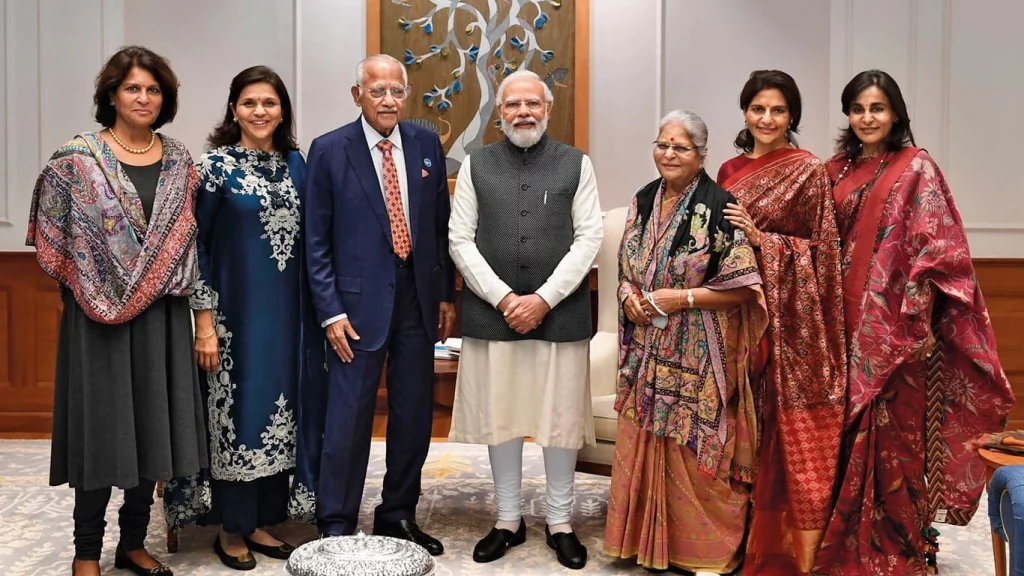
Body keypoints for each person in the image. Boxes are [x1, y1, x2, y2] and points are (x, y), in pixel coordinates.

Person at [814, 69, 1014, 575]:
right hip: (834, 327)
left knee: (894, 440)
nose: (867, 118)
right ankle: (838, 540)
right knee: (834, 435)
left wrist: (918, 323)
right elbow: (812, 241)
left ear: (896, 113)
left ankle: (898, 543)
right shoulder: (834, 170)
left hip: (895, 332)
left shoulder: (917, 168)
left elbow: (939, 249)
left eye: (877, 108)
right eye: (858, 108)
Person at [25, 45, 207, 576]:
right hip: (96, 322)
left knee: (151, 432)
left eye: (153, 89)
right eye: (132, 88)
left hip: (162, 318)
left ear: (165, 98)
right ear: (111, 94)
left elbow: (190, 245)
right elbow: (50, 238)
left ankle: (133, 543)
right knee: (102, 433)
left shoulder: (178, 162)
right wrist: (95, 285)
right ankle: (86, 552)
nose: (143, 97)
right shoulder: (75, 161)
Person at [161, 65, 326, 570]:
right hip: (233, 322)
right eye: (250, 102)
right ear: (233, 109)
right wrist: (204, 323)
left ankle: (261, 522)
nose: (260, 111)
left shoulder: (298, 164)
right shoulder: (212, 168)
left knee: (283, 415)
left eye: (270, 103)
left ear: (283, 111)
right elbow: (197, 248)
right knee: (239, 415)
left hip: (292, 322)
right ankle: (230, 529)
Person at [447, 69, 603, 570]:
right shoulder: (476, 165)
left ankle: (560, 521)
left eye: (532, 104)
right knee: (503, 416)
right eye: (513, 105)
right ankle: (508, 520)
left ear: (548, 108)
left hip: (561, 314)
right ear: (499, 113)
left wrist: (543, 299)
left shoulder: (577, 164)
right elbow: (459, 239)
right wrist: (502, 298)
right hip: (494, 316)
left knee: (559, 421)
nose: (523, 112)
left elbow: (590, 238)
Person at [603, 110, 767, 575]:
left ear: (701, 155)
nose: (669, 154)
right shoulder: (643, 199)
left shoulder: (721, 207)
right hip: (647, 353)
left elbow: (745, 287)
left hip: (700, 353)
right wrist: (628, 296)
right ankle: (644, 543)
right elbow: (626, 268)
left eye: (681, 147)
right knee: (645, 441)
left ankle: (707, 553)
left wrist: (681, 298)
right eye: (663, 144)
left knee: (696, 453)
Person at [303, 54, 455, 555]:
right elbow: (316, 240)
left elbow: (439, 228)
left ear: (406, 94)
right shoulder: (328, 150)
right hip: (353, 309)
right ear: (357, 95)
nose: (388, 100)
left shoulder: (426, 143)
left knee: (414, 414)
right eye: (377, 91)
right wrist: (330, 310)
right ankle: (337, 522)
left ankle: (397, 515)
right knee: (348, 417)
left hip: (418, 302)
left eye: (397, 91)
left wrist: (446, 296)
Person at [715, 70, 847, 575]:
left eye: (778, 111)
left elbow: (823, 252)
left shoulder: (808, 170)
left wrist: (762, 241)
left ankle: (773, 548)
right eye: (758, 109)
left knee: (769, 430)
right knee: (732, 429)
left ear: (792, 116)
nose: (767, 119)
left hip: (786, 324)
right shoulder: (726, 168)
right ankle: (720, 539)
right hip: (729, 314)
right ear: (744, 111)